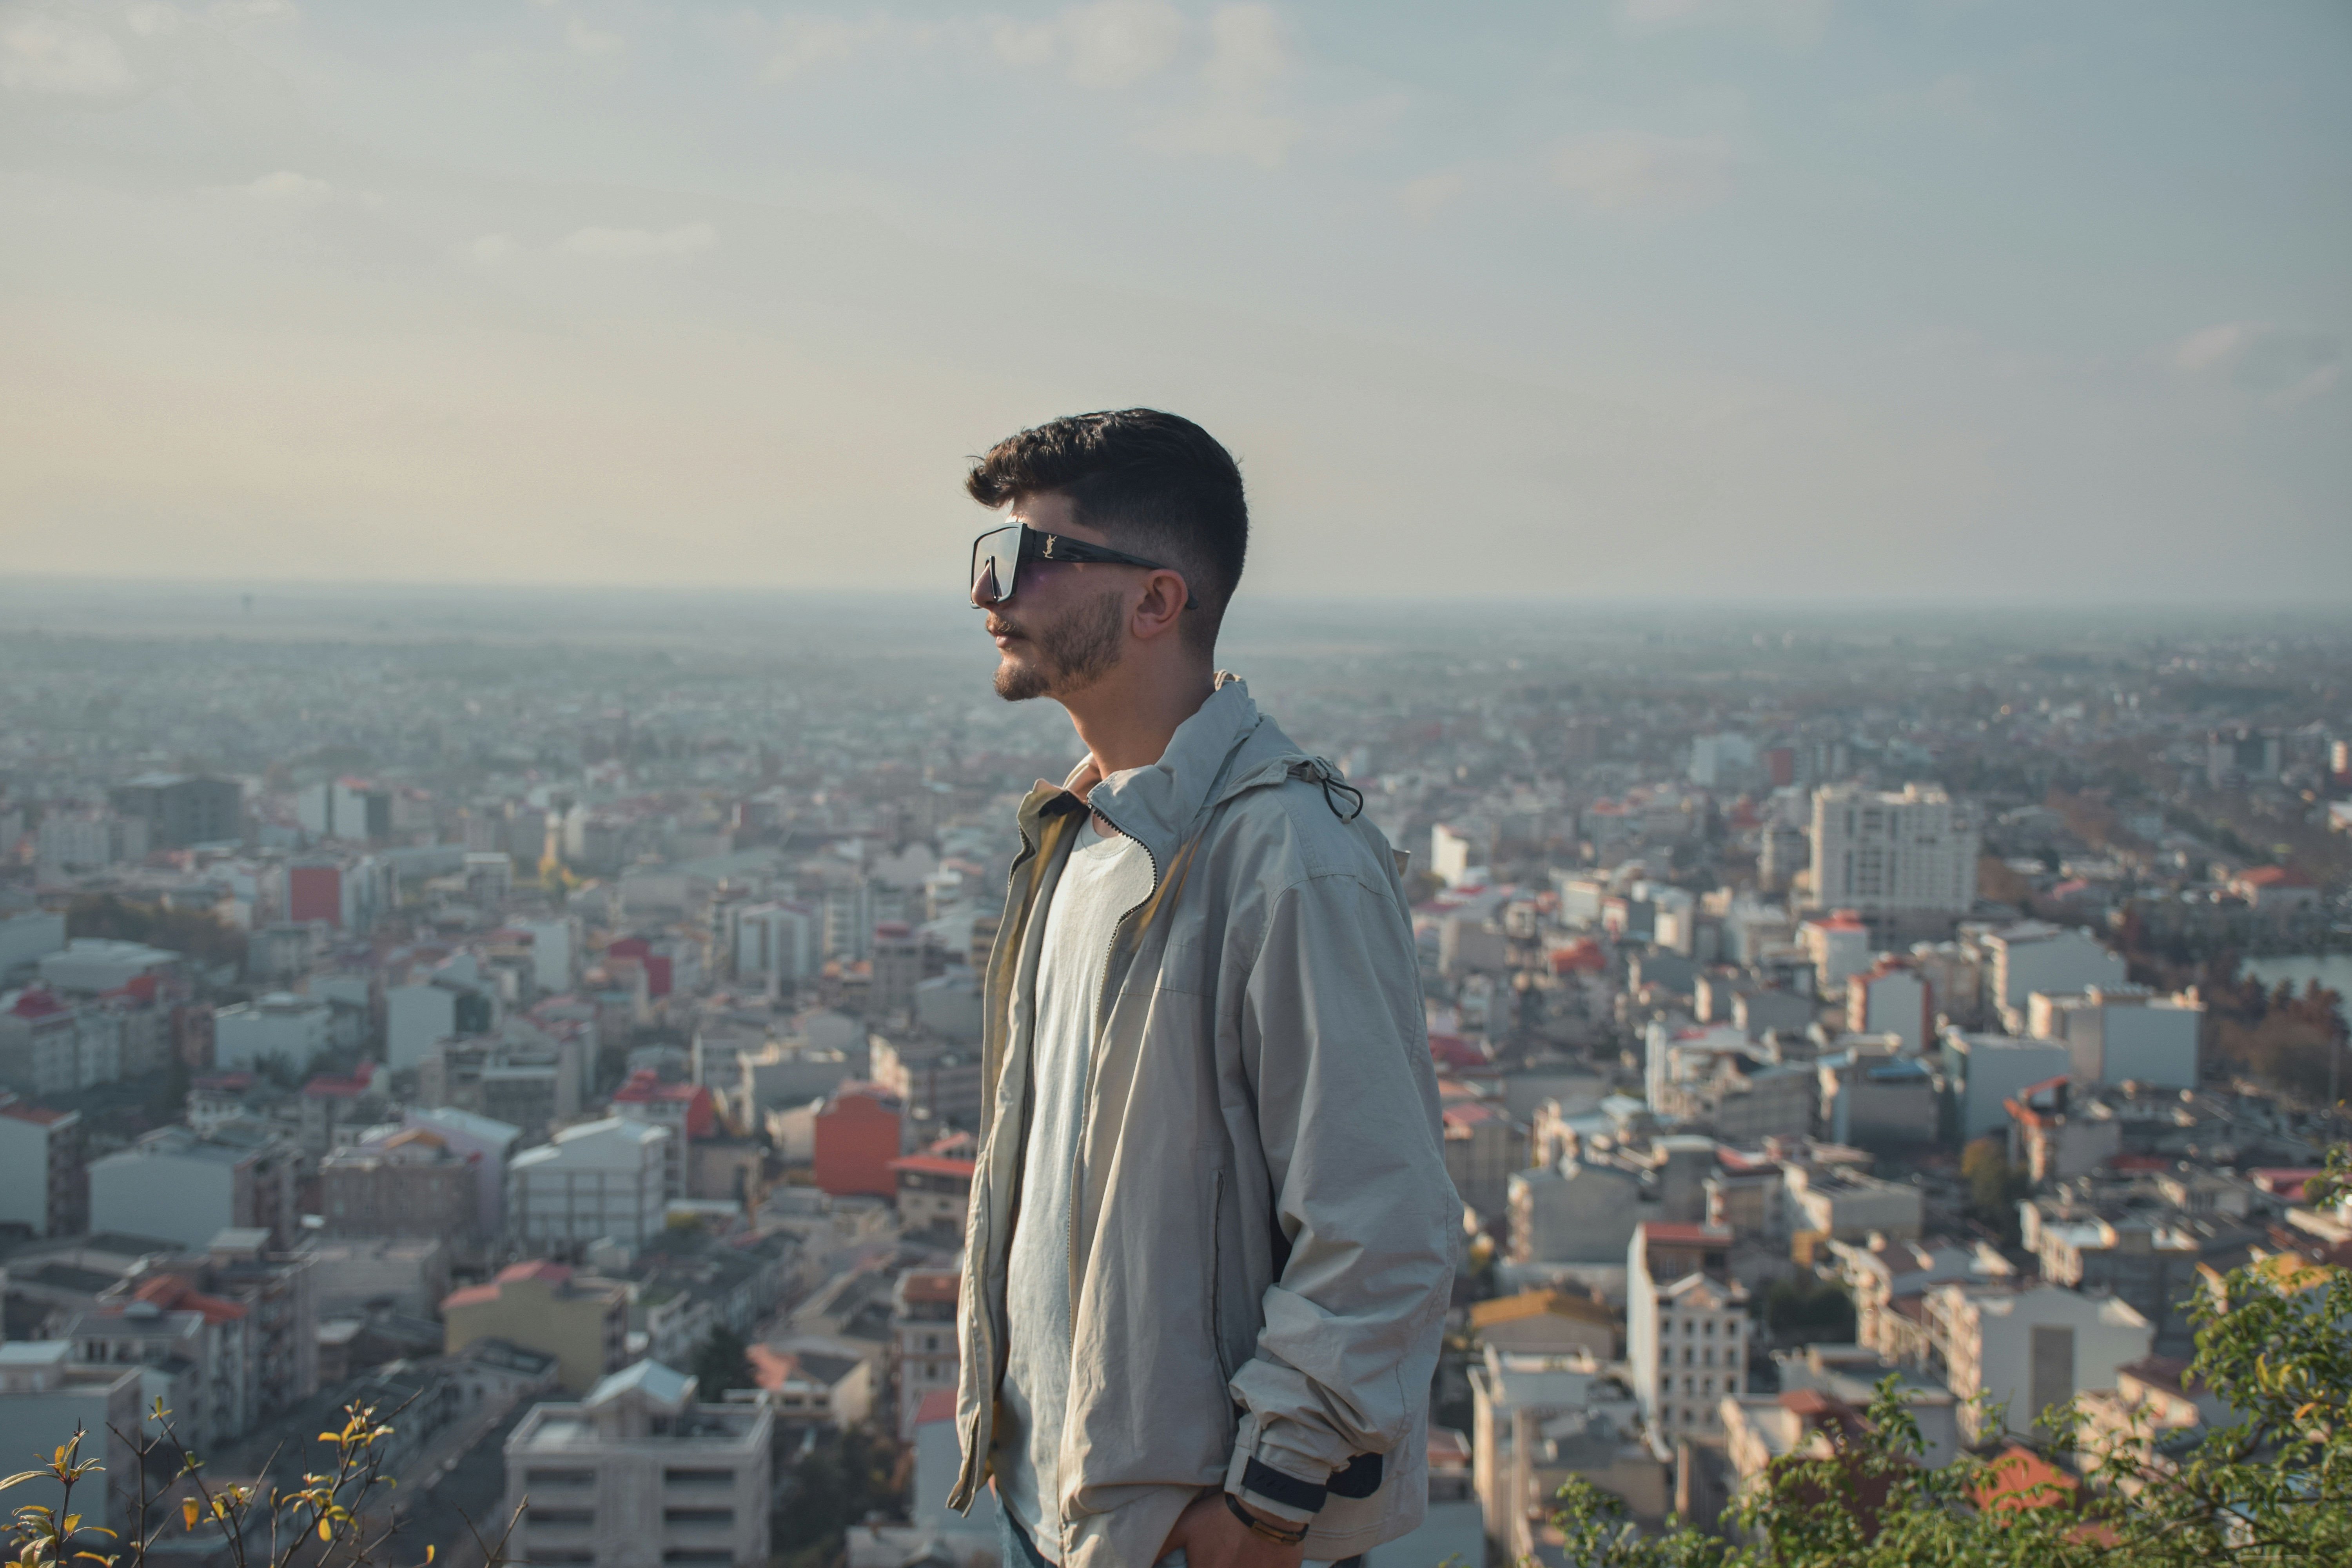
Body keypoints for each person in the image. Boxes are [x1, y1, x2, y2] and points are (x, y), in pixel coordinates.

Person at [945, 410, 1457, 1568]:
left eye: (1028, 558)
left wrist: (1265, 1509)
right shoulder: (1082, 834)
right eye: (989, 559)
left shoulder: (1290, 859)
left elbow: (1381, 1224)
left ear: (1155, 601)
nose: (990, 593)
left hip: (1195, 1531)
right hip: (1066, 1511)